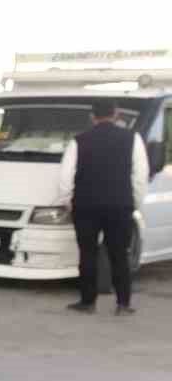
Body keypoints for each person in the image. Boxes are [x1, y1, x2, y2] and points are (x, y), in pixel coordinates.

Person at [58, 98, 147, 316]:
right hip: (120, 205)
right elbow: (140, 175)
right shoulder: (132, 139)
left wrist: (68, 201)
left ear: (92, 116)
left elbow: (65, 177)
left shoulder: (78, 141)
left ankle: (88, 302)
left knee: (87, 253)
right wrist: (134, 202)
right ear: (116, 114)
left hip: (85, 206)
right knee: (119, 253)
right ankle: (123, 304)